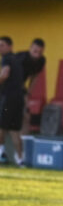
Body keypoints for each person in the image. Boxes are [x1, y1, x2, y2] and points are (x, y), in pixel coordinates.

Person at [0, 36, 26, 166]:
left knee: (1, 126)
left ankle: (1, 153)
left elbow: (4, 74)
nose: (0, 48)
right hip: (19, 97)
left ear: (10, 46)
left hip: (9, 97)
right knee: (15, 130)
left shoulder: (7, 59)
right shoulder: (17, 60)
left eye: (2, 45)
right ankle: (20, 159)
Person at [14, 38, 46, 133]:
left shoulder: (41, 60)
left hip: (20, 87)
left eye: (40, 52)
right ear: (30, 48)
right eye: (35, 51)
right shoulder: (21, 57)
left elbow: (35, 77)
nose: (37, 54)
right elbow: (13, 76)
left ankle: (24, 140)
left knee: (26, 115)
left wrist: (28, 93)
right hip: (9, 86)